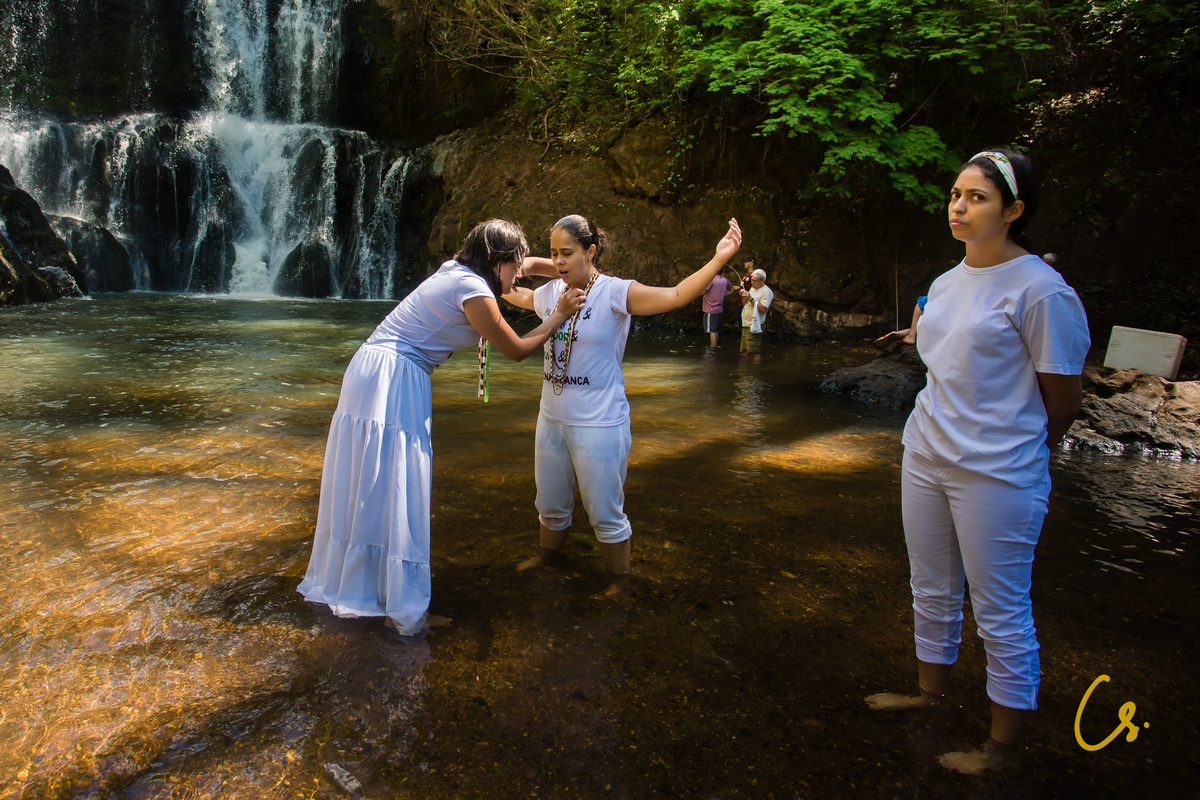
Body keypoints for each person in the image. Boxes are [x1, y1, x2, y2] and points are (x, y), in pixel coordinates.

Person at [865, 150, 1090, 774]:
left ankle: (1000, 748)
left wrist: (1020, 454)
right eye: (956, 194)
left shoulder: (1043, 293)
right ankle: (927, 693)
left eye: (977, 198)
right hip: (926, 452)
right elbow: (945, 364)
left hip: (998, 472)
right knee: (931, 585)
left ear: (1014, 211)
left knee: (1000, 608)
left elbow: (1064, 400)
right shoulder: (944, 282)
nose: (958, 206)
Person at [297, 219, 586, 634]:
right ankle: (404, 607)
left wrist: (564, 266)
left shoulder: (458, 270)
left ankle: (366, 588)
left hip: (375, 368)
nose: (518, 274)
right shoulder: (474, 292)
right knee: (400, 484)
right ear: (497, 260)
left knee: (374, 483)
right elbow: (519, 349)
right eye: (514, 265)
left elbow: (534, 264)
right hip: (395, 376)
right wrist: (557, 314)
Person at [504, 215, 742, 592]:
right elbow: (509, 288)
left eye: (568, 253)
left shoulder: (615, 292)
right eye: (554, 254)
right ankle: (547, 580)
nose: (560, 261)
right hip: (550, 420)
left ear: (591, 251)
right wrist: (515, 265)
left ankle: (619, 593)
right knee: (549, 509)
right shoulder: (549, 294)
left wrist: (718, 258)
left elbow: (678, 294)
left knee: (606, 516)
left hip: (600, 425)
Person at [739, 268, 773, 360]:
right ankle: (745, 371)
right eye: (751, 280)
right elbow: (745, 304)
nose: (752, 283)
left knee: (753, 351)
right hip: (746, 324)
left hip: (755, 325)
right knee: (744, 350)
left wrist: (750, 298)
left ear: (762, 281)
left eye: (754, 281)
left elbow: (763, 309)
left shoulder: (766, 292)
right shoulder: (752, 289)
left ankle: (754, 372)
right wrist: (744, 296)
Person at [701, 268, 736, 346]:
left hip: (710, 309)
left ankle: (712, 349)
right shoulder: (725, 280)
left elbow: (703, 291)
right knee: (715, 330)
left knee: (711, 331)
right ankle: (715, 348)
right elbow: (732, 289)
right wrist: (723, 295)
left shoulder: (712, 280)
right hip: (719, 309)